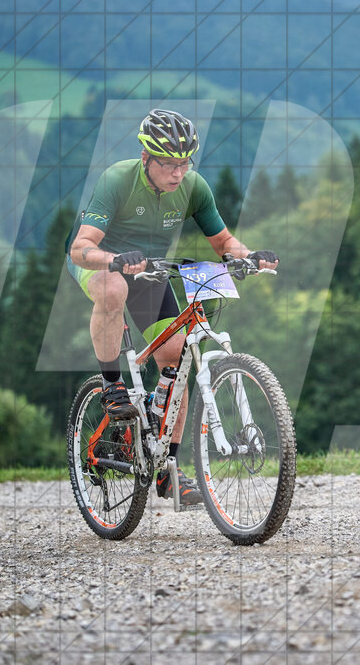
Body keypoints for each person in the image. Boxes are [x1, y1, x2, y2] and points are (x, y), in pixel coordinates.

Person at [65, 109, 279, 505]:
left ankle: (167, 470)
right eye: (168, 163)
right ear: (146, 158)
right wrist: (112, 259)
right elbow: (81, 248)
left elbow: (224, 242)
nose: (178, 172)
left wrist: (249, 255)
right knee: (114, 290)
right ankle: (112, 385)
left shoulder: (194, 188)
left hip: (151, 271)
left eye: (184, 163)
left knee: (177, 357)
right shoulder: (118, 180)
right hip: (105, 264)